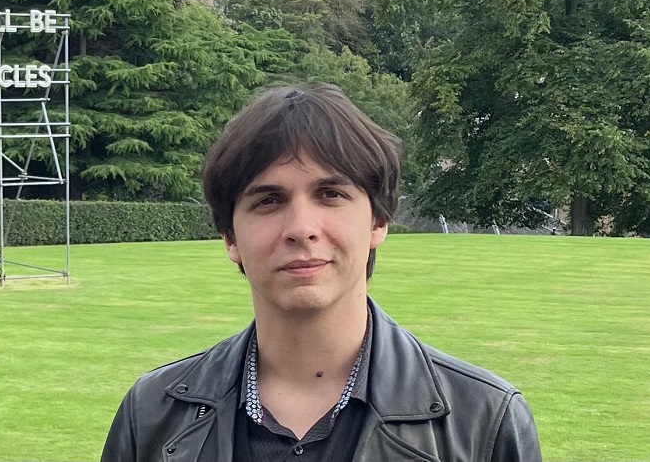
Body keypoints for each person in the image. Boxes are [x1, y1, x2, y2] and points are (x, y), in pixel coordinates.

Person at [101, 84, 542, 462]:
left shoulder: (484, 418)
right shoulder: (152, 412)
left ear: (378, 222)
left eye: (330, 194)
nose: (301, 229)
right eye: (268, 201)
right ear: (229, 237)